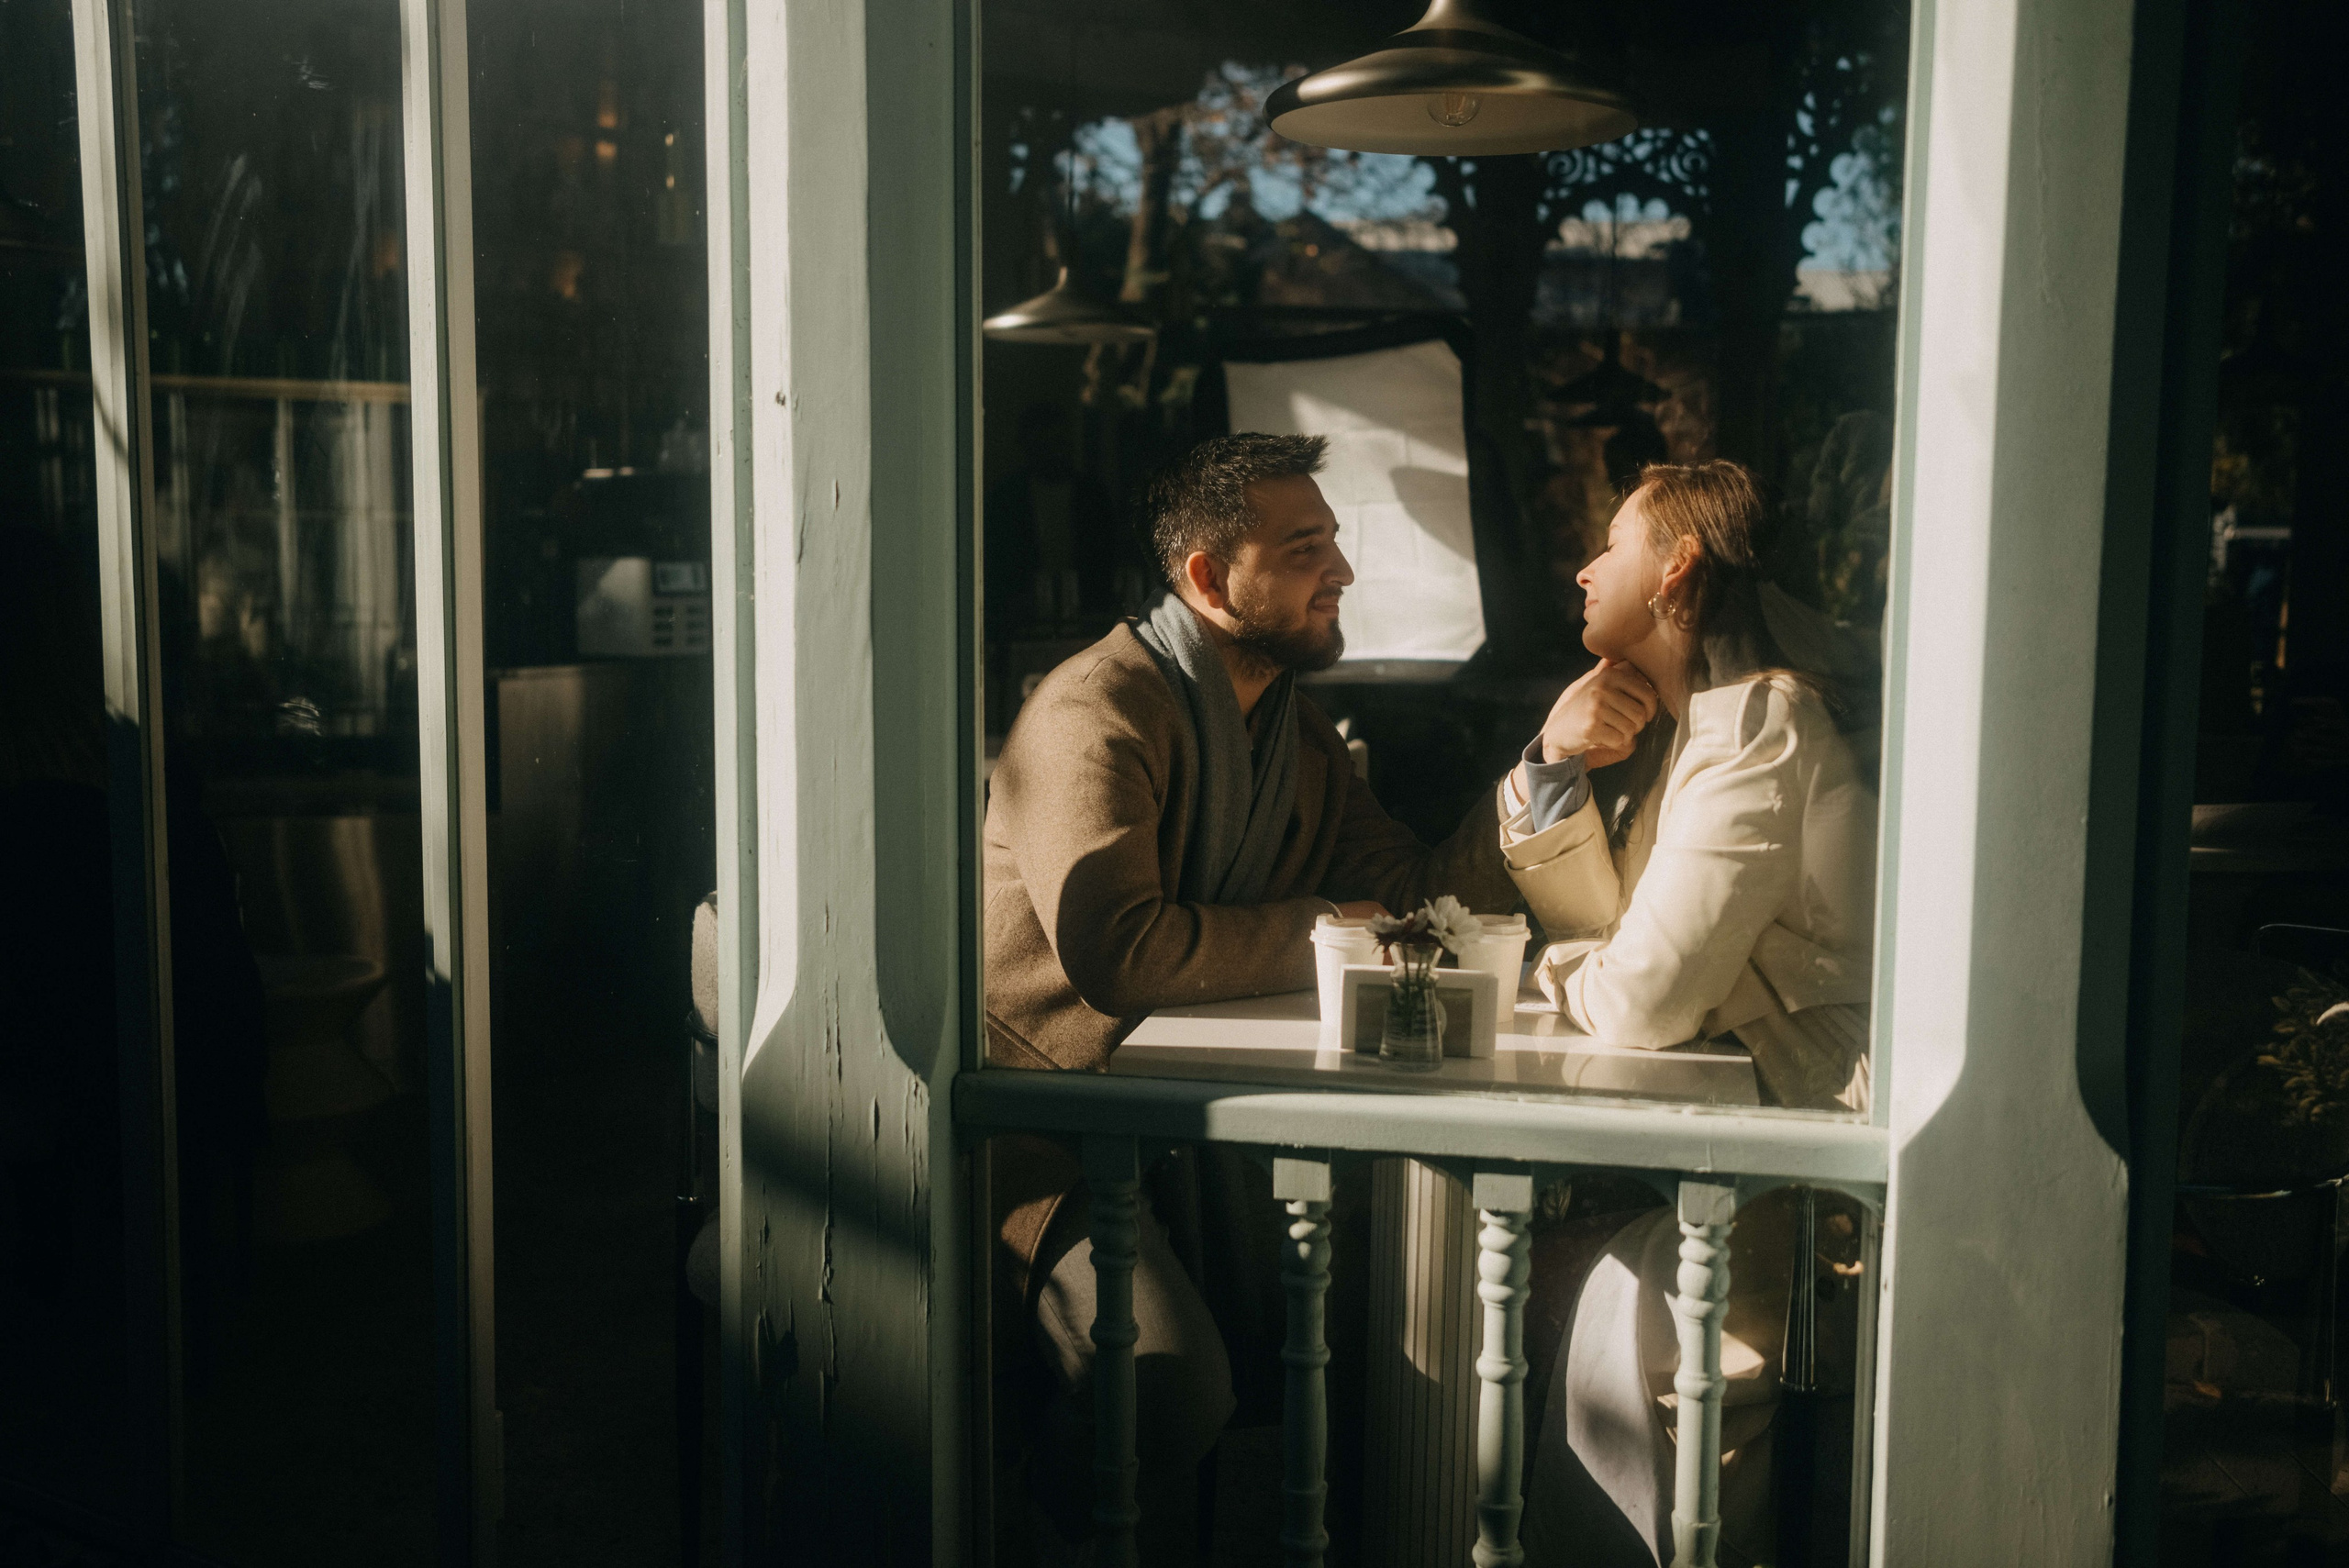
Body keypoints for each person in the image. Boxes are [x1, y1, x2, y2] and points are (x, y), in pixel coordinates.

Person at [982, 432, 1522, 1562]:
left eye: (1333, 542)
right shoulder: (1092, 709)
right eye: (1303, 547)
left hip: (1191, 1120)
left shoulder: (1290, 726)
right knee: (1173, 1383)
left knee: (1389, 1325)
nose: (1342, 571)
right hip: (1042, 1124)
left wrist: (1544, 771)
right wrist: (1329, 924)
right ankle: (995, 1528)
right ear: (1207, 577)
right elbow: (1121, 951)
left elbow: (1417, 894)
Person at [1497, 461, 1878, 1565]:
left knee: (1627, 1308)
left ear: (1676, 568)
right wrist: (1554, 764)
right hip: (1764, 1145)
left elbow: (1639, 998)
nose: (1583, 569)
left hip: (1815, 1174)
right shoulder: (1702, 727)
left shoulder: (1763, 721)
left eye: (1611, 544)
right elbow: (1621, 936)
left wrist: (1554, 971)